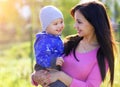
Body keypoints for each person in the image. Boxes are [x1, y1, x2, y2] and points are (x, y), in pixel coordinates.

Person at [32, 1, 117, 87]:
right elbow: (47, 62)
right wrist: (35, 76)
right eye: (75, 21)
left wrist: (61, 76)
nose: (75, 26)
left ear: (94, 23)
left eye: (79, 22)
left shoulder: (102, 55)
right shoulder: (70, 42)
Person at [32, 5, 67, 87]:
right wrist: (53, 61)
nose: (60, 26)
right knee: (59, 85)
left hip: (55, 69)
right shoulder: (43, 40)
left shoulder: (56, 38)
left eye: (61, 22)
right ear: (46, 27)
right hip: (45, 70)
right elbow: (40, 57)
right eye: (55, 24)